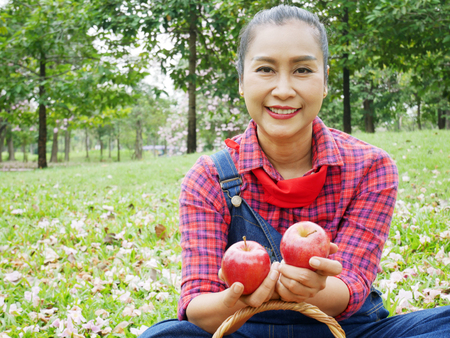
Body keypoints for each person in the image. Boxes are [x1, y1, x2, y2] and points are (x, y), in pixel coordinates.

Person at [139, 5, 450, 338]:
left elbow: (352, 284)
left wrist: (310, 288)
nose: (284, 89)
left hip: (347, 331)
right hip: (241, 330)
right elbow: (198, 306)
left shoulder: (370, 167)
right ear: (242, 81)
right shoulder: (209, 178)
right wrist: (237, 298)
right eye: (265, 70)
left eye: (302, 70)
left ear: (325, 80)